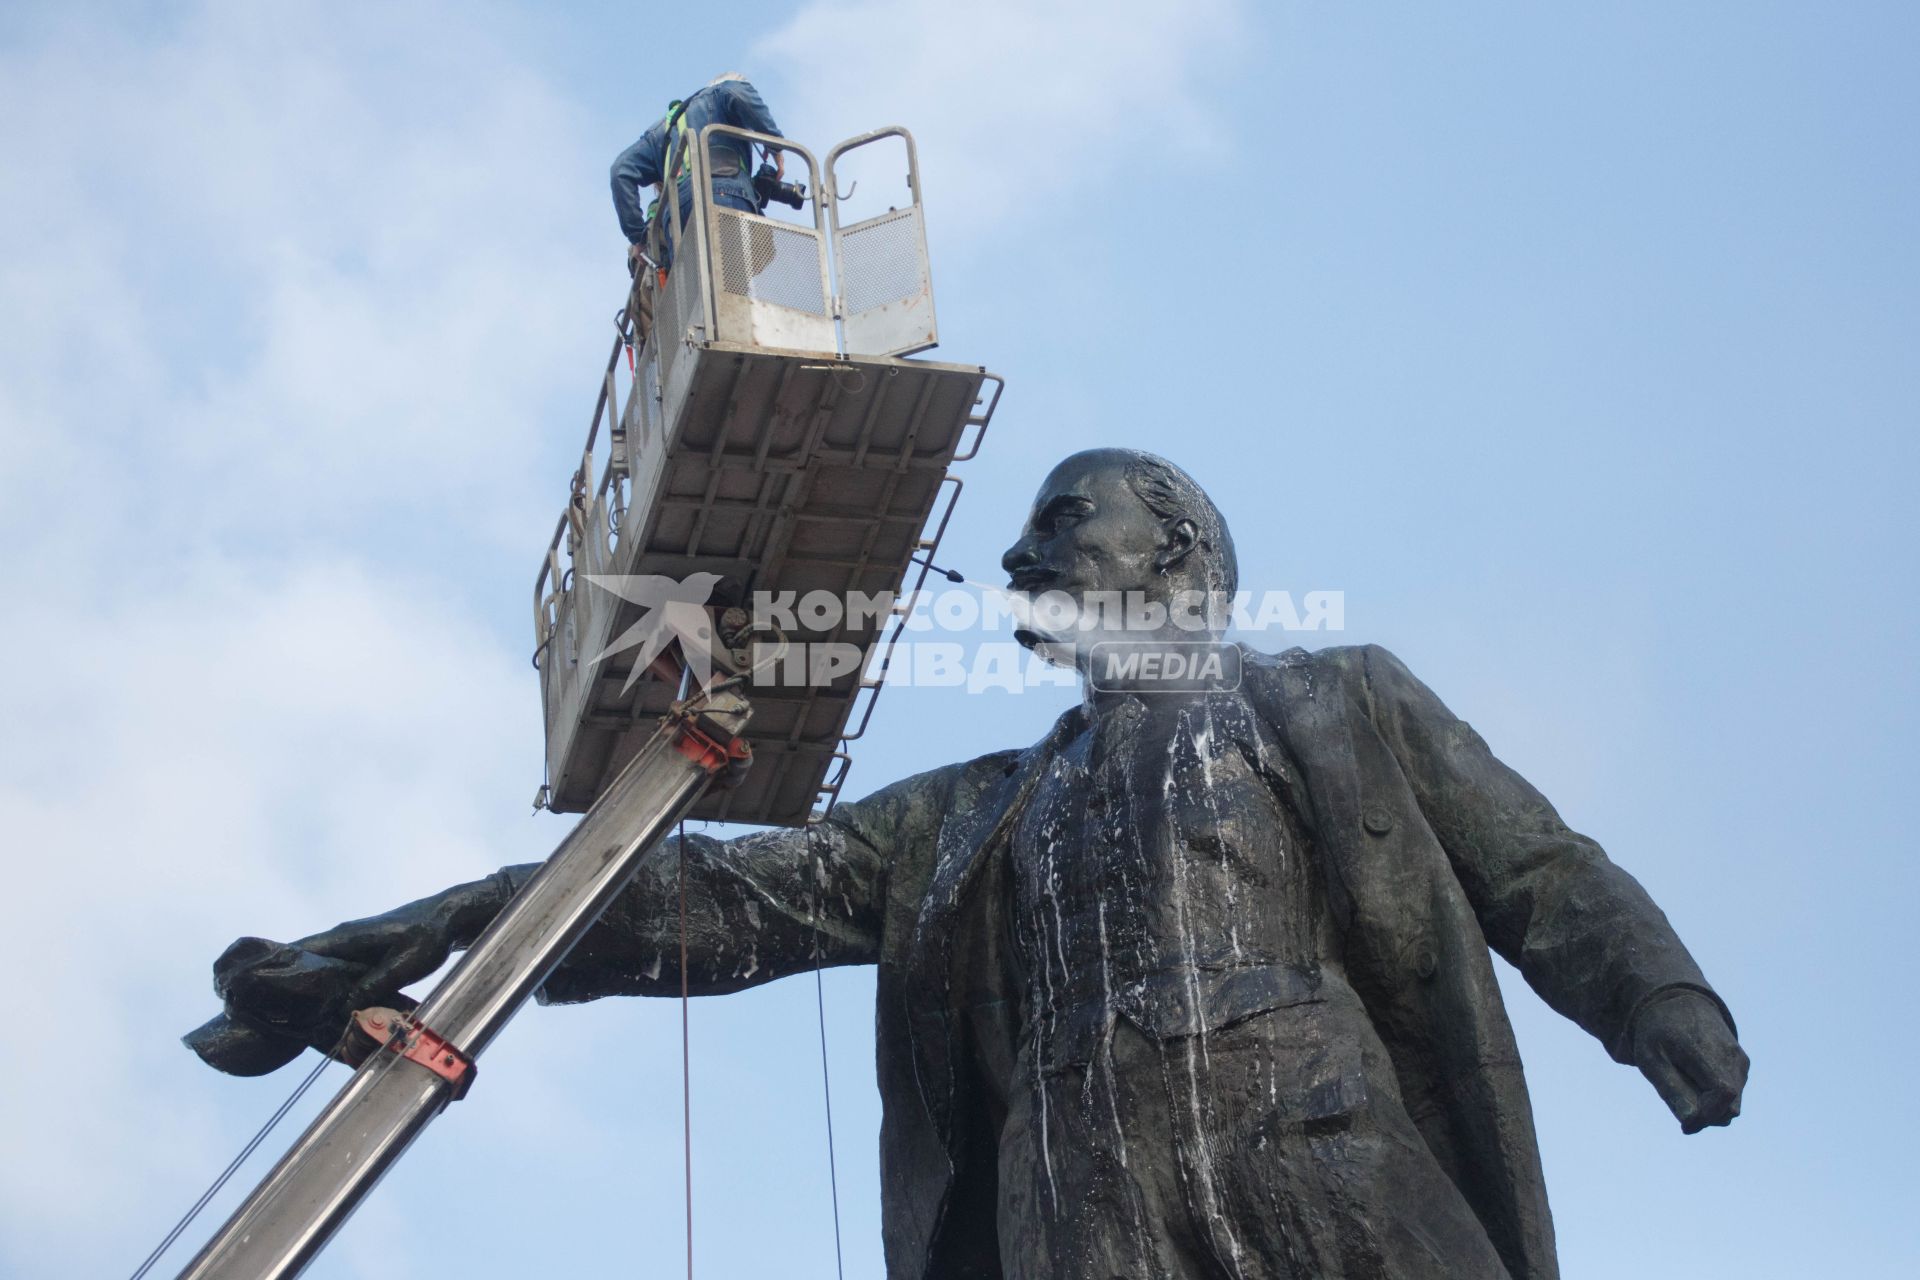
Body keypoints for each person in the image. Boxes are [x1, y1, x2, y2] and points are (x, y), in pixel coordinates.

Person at [192, 449, 1749, 1279]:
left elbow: (1538, 868)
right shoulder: (966, 816)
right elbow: (713, 900)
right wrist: (438, 930)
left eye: (1063, 521)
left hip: (1323, 1150)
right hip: (1073, 1203)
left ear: (1183, 554)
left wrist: (1658, 1000)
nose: (1017, 561)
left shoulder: (1331, 698)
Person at [610, 72, 785, 275]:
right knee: (730, 287)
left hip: (676, 217)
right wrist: (774, 142)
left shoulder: (663, 129)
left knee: (694, 296)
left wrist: (638, 238)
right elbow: (736, 93)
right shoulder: (719, 93)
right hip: (723, 195)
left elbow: (620, 171)